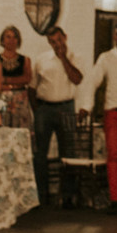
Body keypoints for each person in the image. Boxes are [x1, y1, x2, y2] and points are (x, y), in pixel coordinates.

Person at [77, 26, 117, 215]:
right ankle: (115, 199)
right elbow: (92, 81)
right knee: (115, 155)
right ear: (114, 37)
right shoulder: (106, 58)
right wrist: (86, 106)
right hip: (113, 112)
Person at [31, 25, 84, 207]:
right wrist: (37, 109)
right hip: (45, 108)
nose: (57, 44)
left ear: (65, 37)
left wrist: (64, 59)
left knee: (68, 153)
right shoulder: (41, 60)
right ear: (48, 42)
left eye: (59, 40)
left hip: (66, 107)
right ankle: (41, 195)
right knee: (40, 154)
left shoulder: (76, 57)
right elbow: (32, 87)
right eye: (53, 42)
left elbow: (77, 79)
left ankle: (68, 196)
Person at [0, 24, 35, 133]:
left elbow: (27, 78)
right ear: (2, 40)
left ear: (18, 40)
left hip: (20, 100)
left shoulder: (25, 60)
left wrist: (6, 80)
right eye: (8, 36)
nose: (11, 40)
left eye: (15, 37)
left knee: (21, 130)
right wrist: (16, 82)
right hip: (2, 99)